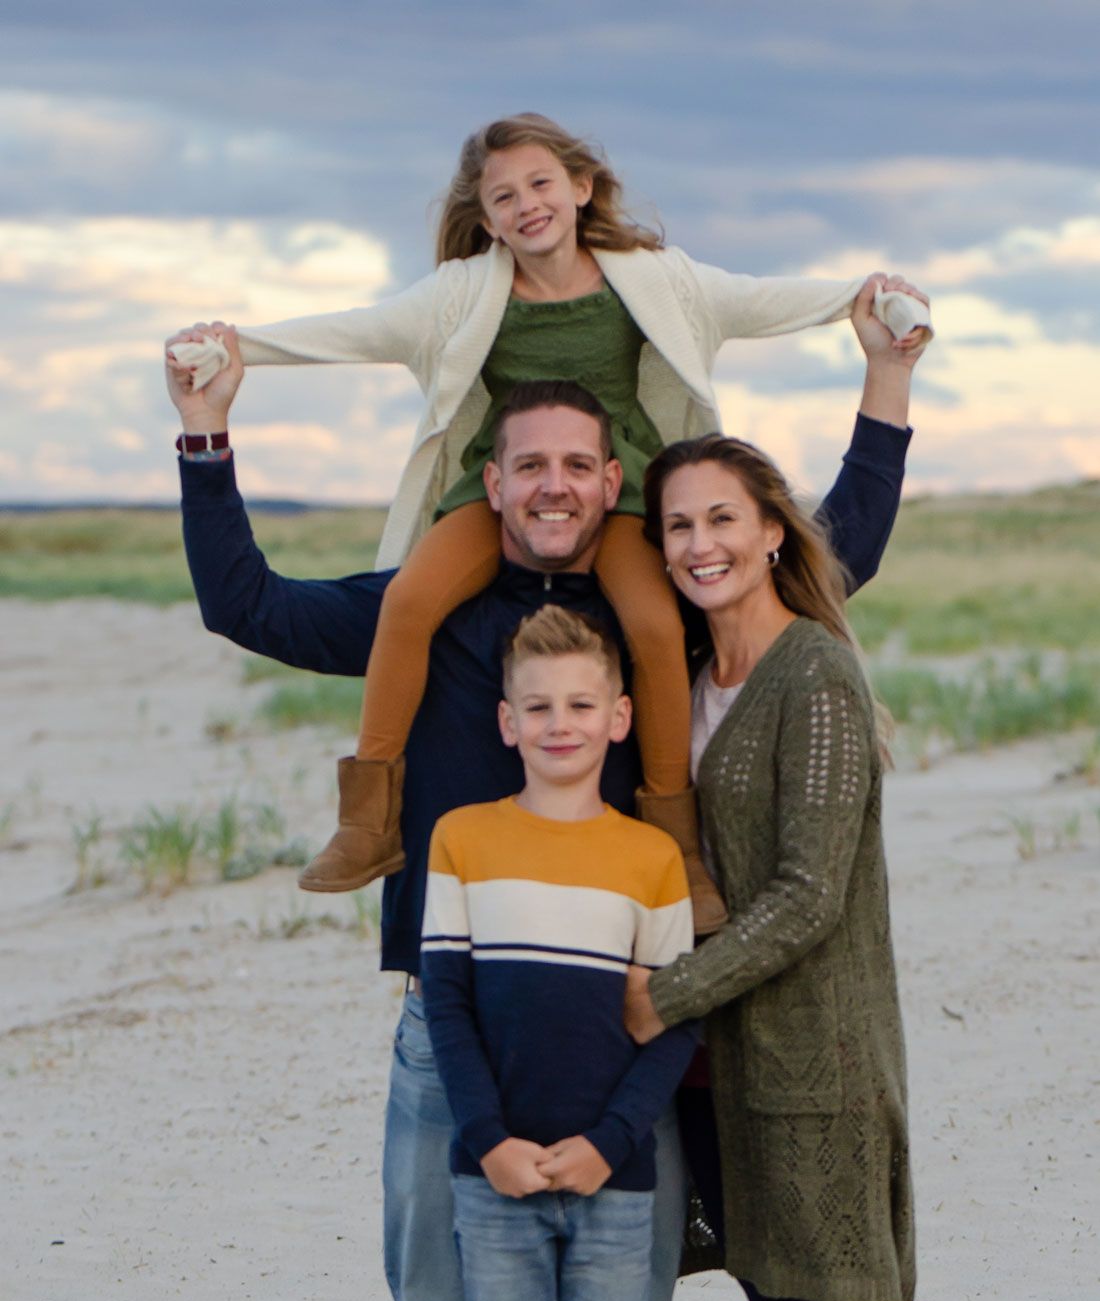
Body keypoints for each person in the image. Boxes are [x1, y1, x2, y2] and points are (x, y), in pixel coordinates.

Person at [164, 290, 922, 1301]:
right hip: (451, 1029)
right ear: (491, 484)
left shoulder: (669, 631)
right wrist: (206, 434)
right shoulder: (433, 612)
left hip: (636, 1027)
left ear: (610, 479)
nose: (555, 486)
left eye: (580, 464)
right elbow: (244, 603)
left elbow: (826, 553)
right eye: (529, 467)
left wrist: (883, 389)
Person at [165, 110, 930, 936]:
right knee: (408, 599)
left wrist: (868, 319)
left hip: (632, 523)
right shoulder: (462, 301)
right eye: (504, 196)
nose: (526, 205)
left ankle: (681, 845)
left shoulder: (656, 292)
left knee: (650, 626)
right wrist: (227, 367)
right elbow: (350, 339)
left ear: (580, 186)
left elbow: (771, 331)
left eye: (540, 183)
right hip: (462, 946)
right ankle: (367, 816)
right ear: (485, 218)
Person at [623, 429, 932, 1301]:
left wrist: (665, 995)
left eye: (718, 520)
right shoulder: (689, 671)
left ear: (768, 528)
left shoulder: (811, 675)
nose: (697, 545)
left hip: (814, 1056)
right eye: (676, 528)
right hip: (721, 1073)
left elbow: (807, 895)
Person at [420, 605, 695, 1301]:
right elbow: (443, 999)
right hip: (493, 1180)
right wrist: (488, 1140)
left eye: (581, 705)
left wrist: (607, 1141)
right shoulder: (463, 838)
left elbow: (671, 1023)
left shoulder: (649, 855)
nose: (560, 723)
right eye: (538, 707)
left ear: (618, 716)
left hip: (611, 1178)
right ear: (505, 720)